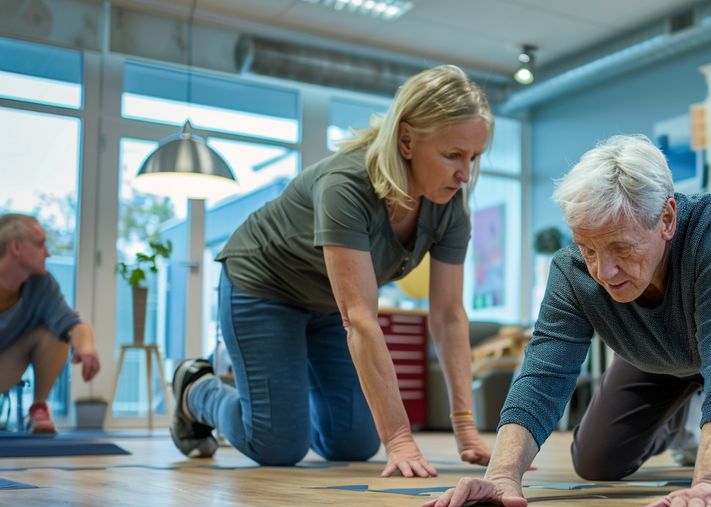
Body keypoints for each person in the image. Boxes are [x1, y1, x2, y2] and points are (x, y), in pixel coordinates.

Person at [424, 135, 711, 507]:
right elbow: (543, 377)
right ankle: (691, 422)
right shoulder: (573, 270)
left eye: (621, 248)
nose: (604, 271)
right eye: (588, 248)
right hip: (661, 345)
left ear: (667, 218)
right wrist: (502, 475)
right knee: (596, 461)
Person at [170, 65, 493, 474]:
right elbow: (359, 318)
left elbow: (448, 316)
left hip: (326, 307)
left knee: (353, 443)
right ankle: (196, 388)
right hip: (264, 287)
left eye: (473, 158)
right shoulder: (347, 185)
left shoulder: (449, 207)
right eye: (452, 155)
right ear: (406, 140)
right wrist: (399, 438)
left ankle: (282, 402)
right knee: (277, 445)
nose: (464, 174)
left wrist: (465, 428)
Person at [0, 213, 100, 433]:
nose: (47, 252)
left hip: (5, 364)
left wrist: (87, 348)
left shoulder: (41, 284)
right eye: (40, 244)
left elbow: (72, 325)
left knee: (56, 332)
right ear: (15, 247)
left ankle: (38, 408)